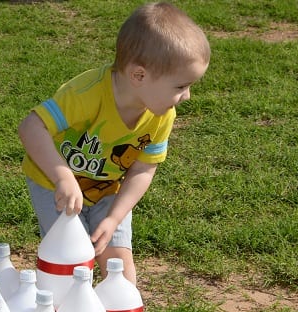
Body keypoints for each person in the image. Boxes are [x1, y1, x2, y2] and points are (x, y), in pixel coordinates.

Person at [19, 2, 210, 287]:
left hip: (107, 189)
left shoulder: (161, 115)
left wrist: (114, 218)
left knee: (119, 261)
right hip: (54, 183)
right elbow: (31, 127)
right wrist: (63, 177)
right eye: (180, 86)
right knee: (72, 258)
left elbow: (143, 170)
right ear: (139, 75)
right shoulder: (87, 93)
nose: (187, 96)